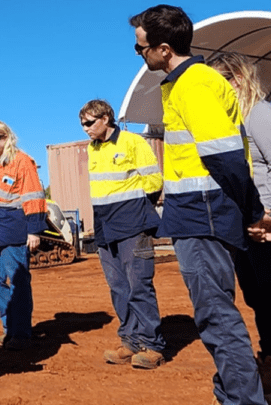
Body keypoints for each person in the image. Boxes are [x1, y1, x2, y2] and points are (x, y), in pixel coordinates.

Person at [130, 5, 271, 404]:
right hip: (198, 213)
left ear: (163, 49)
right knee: (215, 313)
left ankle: (242, 399)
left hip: (204, 215)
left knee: (216, 315)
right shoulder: (184, 84)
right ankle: (232, 391)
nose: (139, 54)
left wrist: (253, 213)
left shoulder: (194, 84)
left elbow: (224, 156)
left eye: (140, 48)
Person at [207, 51, 271, 391]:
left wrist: (266, 213)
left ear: (238, 79)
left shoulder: (262, 115)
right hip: (248, 226)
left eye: (221, 81)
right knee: (260, 298)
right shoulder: (234, 122)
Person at [80, 99, 166, 369]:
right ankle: (129, 340)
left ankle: (152, 345)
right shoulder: (92, 149)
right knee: (118, 287)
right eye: (82, 124)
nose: (85, 129)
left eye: (89, 123)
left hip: (132, 224)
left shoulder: (132, 143)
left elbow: (153, 182)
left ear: (106, 118)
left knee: (139, 285)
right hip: (106, 227)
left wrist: (136, 211)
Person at [0, 120, 46, 351]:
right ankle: (10, 325)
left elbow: (34, 195)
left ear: (6, 137)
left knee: (19, 283)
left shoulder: (22, 161)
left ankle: (20, 333)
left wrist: (34, 230)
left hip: (13, 231)